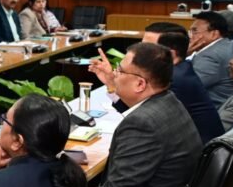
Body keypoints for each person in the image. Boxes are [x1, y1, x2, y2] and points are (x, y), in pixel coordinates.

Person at [88, 42, 202, 187]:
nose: (114, 74)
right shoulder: (169, 101)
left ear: (140, 84)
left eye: (119, 70)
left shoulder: (141, 124)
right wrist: (112, 85)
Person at [91, 28, 223, 145]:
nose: (139, 51)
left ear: (170, 54)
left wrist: (118, 80)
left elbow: (142, 119)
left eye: (147, 47)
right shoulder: (180, 69)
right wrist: (112, 83)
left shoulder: (176, 80)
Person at [187, 11, 233, 107]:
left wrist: (181, 56)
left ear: (214, 34)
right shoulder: (227, 44)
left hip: (211, 109)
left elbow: (187, 87)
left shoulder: (211, 56)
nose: (190, 36)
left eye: (195, 31)